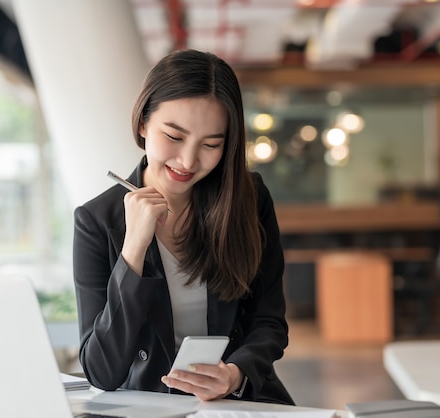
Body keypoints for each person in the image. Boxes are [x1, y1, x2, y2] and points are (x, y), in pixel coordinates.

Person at [73, 49, 294, 405]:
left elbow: (269, 322)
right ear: (144, 123)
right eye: (174, 137)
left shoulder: (248, 198)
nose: (188, 161)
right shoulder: (96, 221)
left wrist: (232, 375)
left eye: (211, 145)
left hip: (239, 404)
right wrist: (134, 250)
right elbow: (102, 371)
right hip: (152, 408)